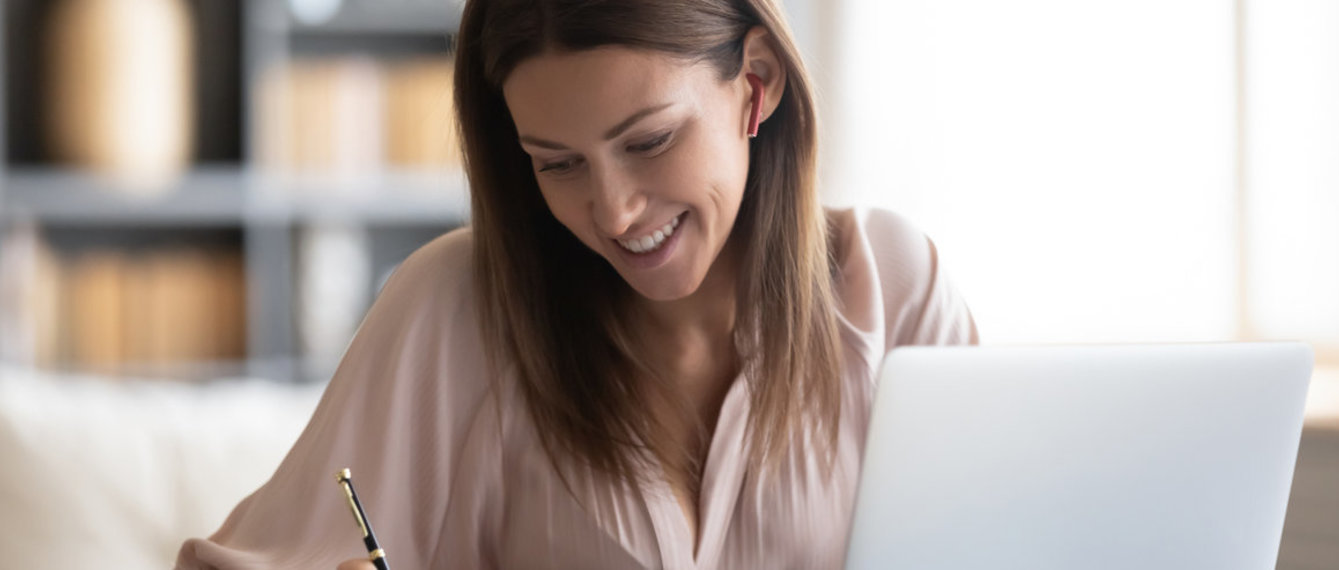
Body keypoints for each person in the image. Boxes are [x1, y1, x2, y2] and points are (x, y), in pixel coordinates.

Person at [175, 0, 977, 568]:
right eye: (556, 164)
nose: (615, 213)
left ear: (755, 83)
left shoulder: (894, 290)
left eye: (650, 140)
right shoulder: (451, 311)